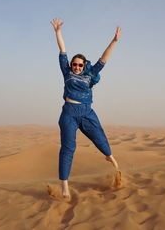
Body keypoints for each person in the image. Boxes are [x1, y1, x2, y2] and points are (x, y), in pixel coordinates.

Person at [50, 17, 121, 200]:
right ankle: (65, 185)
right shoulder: (66, 72)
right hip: (69, 114)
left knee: (100, 138)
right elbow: (62, 50)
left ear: (84, 65)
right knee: (68, 148)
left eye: (80, 65)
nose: (76, 67)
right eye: (74, 64)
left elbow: (104, 59)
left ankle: (109, 156)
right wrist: (58, 32)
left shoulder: (91, 74)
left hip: (87, 112)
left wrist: (114, 41)